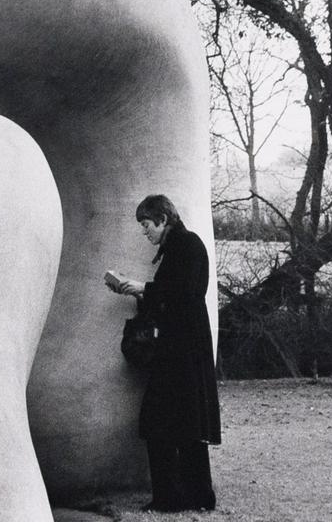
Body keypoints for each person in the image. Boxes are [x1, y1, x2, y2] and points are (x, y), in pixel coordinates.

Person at [106, 194, 220, 513]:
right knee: (187, 422)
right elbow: (176, 295)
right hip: (184, 346)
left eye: (146, 225)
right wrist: (135, 290)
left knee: (160, 421)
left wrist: (143, 288)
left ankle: (173, 497)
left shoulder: (186, 245)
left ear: (163, 219)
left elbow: (184, 293)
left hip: (182, 348)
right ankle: (196, 495)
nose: (145, 232)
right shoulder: (181, 245)